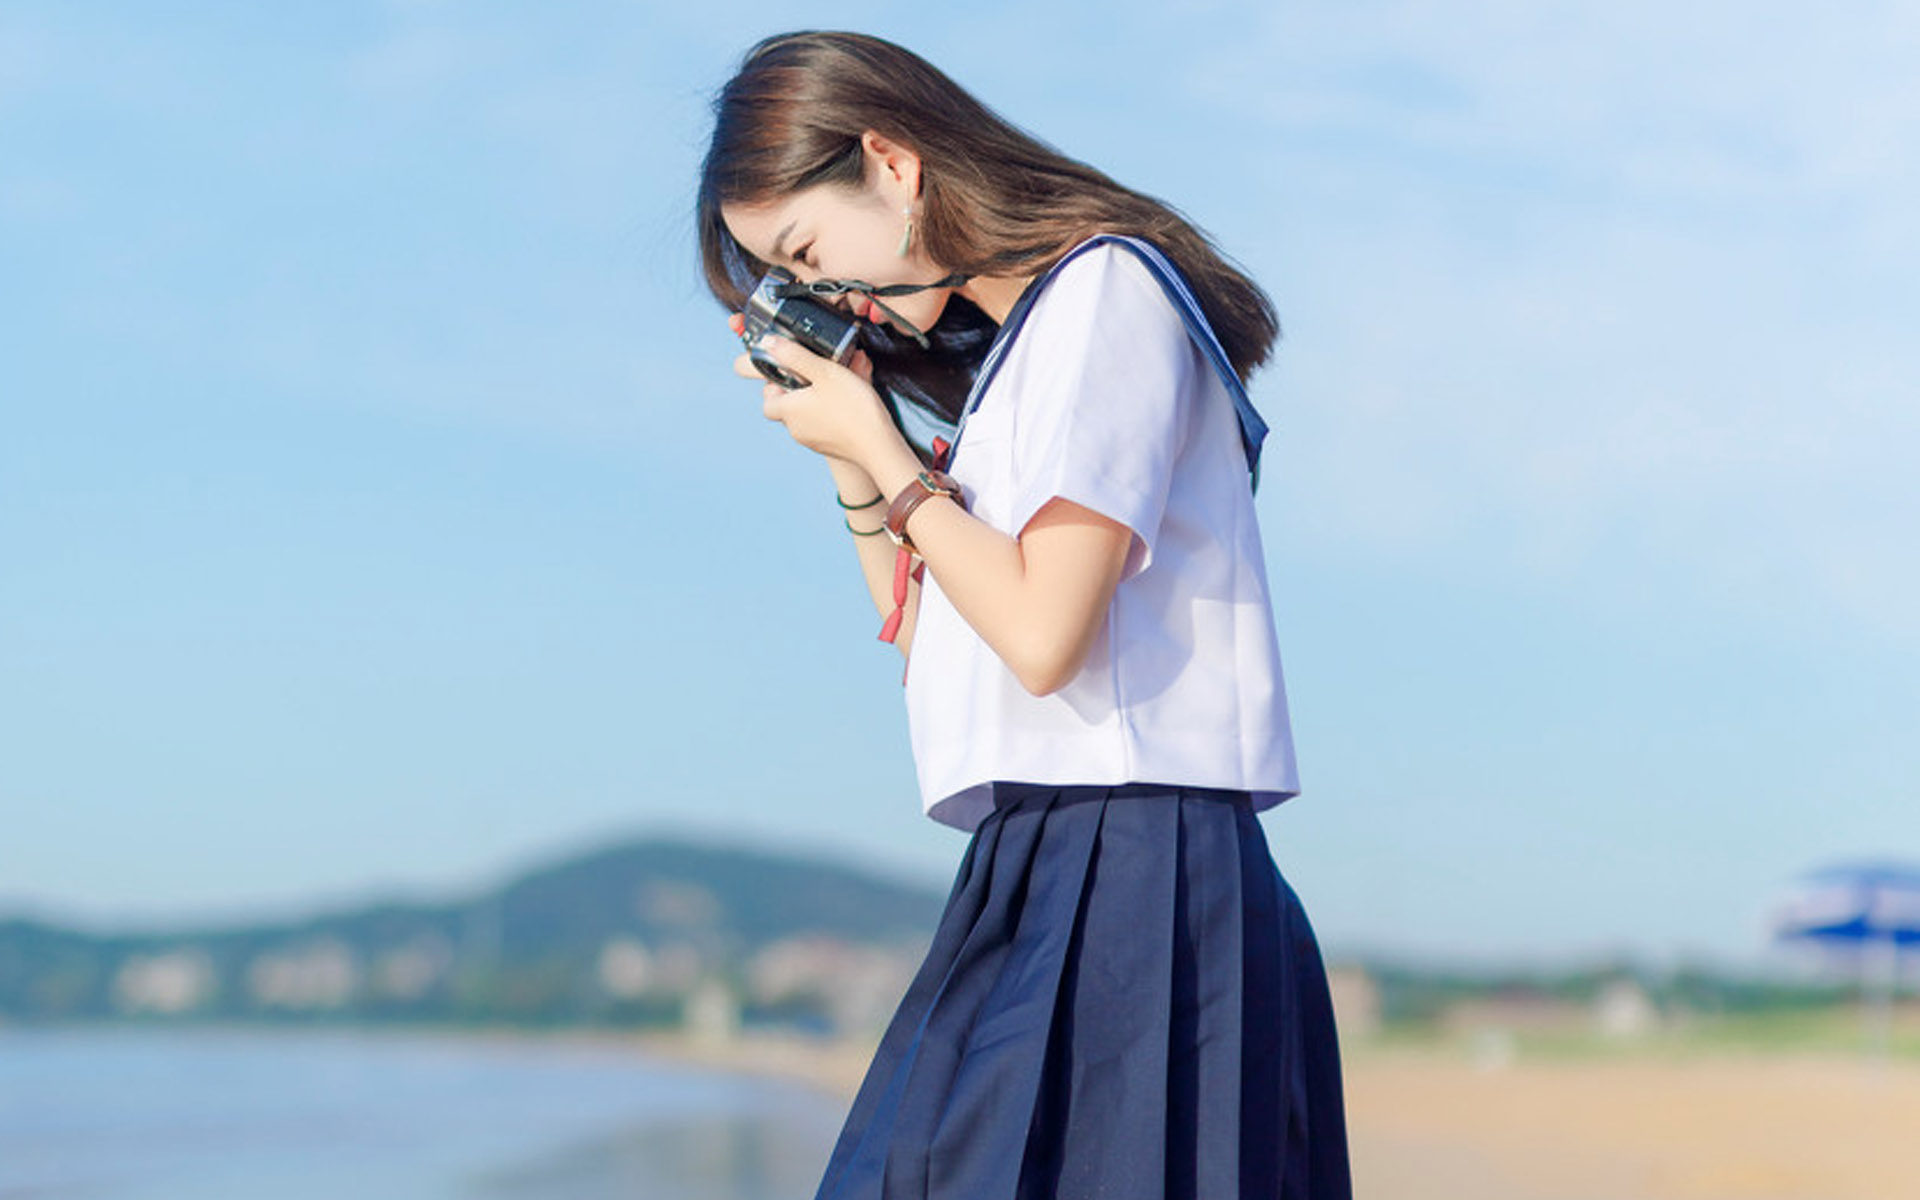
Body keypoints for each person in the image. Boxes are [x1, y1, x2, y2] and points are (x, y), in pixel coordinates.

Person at [696, 30, 1353, 1200]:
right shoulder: (1015, 359)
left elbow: (1042, 635)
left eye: (806, 250)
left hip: (1137, 855)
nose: (828, 290)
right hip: (1052, 856)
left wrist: (884, 454)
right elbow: (917, 630)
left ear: (891, 164)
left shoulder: (1106, 292)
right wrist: (853, 453)